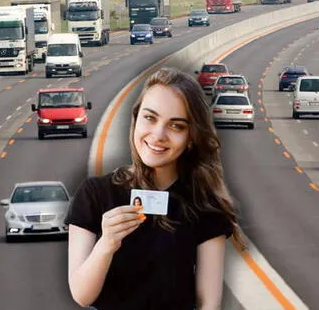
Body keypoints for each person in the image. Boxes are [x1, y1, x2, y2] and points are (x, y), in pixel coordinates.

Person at [66, 67, 244, 310]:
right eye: (150, 118)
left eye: (176, 126)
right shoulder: (94, 194)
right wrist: (106, 244)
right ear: (136, 119)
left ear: (191, 138)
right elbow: (81, 294)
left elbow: (208, 304)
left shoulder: (204, 204)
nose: (158, 134)